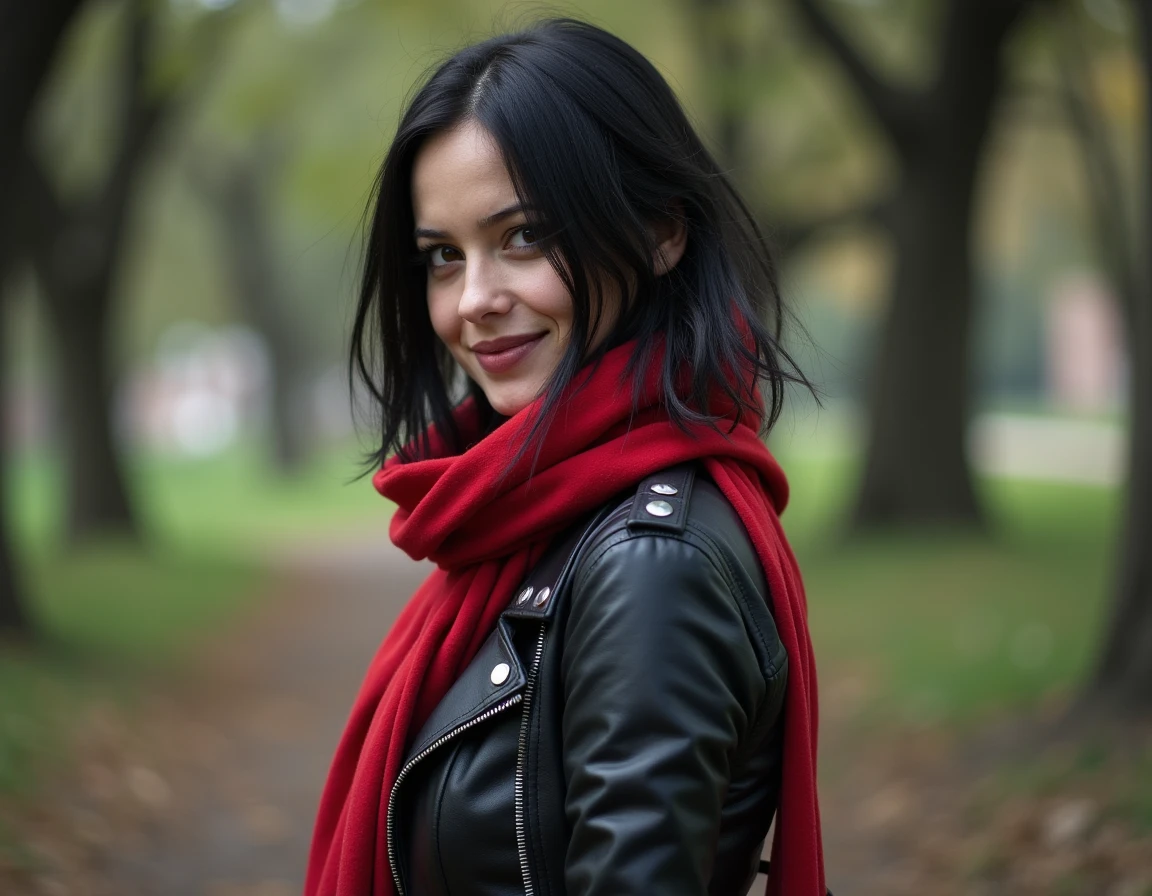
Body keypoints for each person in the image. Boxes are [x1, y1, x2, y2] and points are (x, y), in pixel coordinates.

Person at [305, 18, 826, 896]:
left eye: (523, 237)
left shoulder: (649, 564)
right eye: (442, 256)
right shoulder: (522, 518)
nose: (474, 300)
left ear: (661, 231)